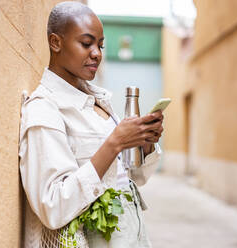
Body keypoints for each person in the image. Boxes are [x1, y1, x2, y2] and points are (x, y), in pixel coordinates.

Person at [19, 2, 164, 247]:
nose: (97, 53)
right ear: (56, 43)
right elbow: (52, 205)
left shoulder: (98, 103)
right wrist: (115, 143)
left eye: (101, 45)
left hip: (132, 234)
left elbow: (133, 178)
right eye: (86, 44)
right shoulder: (45, 108)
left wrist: (144, 144)